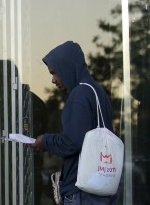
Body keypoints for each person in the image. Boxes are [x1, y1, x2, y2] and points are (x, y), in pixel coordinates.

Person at [32, 41, 118, 204]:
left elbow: (73, 141)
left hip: (82, 191)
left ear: (67, 67)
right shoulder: (97, 91)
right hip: (102, 186)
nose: (53, 80)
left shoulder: (79, 94)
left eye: (55, 72)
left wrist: (46, 141)